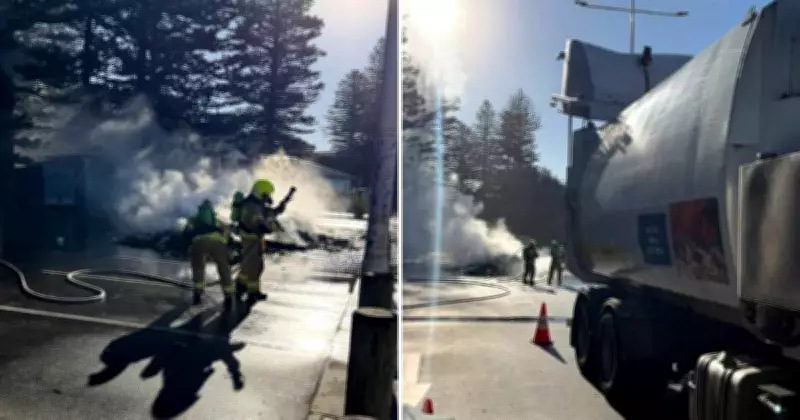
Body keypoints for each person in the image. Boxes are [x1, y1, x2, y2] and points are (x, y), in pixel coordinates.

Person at [235, 179, 295, 303]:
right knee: (255, 266)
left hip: (254, 238)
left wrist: (286, 200)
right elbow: (255, 222)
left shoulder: (257, 204)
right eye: (267, 194)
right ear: (261, 192)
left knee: (250, 265)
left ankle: (240, 284)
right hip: (250, 238)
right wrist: (266, 227)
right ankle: (253, 292)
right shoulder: (251, 206)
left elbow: (273, 213)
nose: (268, 197)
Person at [185, 199, 235, 309]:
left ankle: (198, 292)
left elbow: (186, 233)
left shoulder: (193, 219)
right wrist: (226, 243)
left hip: (199, 242)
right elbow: (226, 230)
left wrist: (189, 245)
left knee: (198, 267)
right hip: (217, 242)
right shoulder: (216, 220)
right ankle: (228, 294)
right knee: (223, 267)